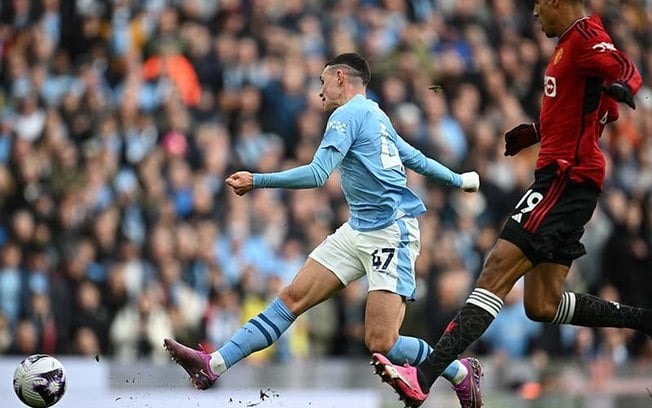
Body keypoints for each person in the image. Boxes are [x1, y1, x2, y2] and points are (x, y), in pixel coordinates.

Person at [163, 52, 483, 406]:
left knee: (382, 343)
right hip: (358, 228)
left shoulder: (346, 115)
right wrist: (459, 180)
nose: (320, 92)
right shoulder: (376, 114)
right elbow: (414, 157)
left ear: (341, 77)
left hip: (391, 232)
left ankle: (460, 373)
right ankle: (213, 364)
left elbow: (318, 174)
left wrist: (258, 179)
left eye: (322, 81)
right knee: (291, 298)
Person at [370, 1, 648, 407]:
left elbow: (624, 66)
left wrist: (626, 85)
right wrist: (537, 130)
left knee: (497, 268)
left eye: (538, 5)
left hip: (565, 178)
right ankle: (644, 321)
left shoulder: (587, 36)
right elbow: (587, 107)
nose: (534, 15)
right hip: (570, 179)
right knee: (542, 303)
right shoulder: (569, 42)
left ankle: (426, 376)